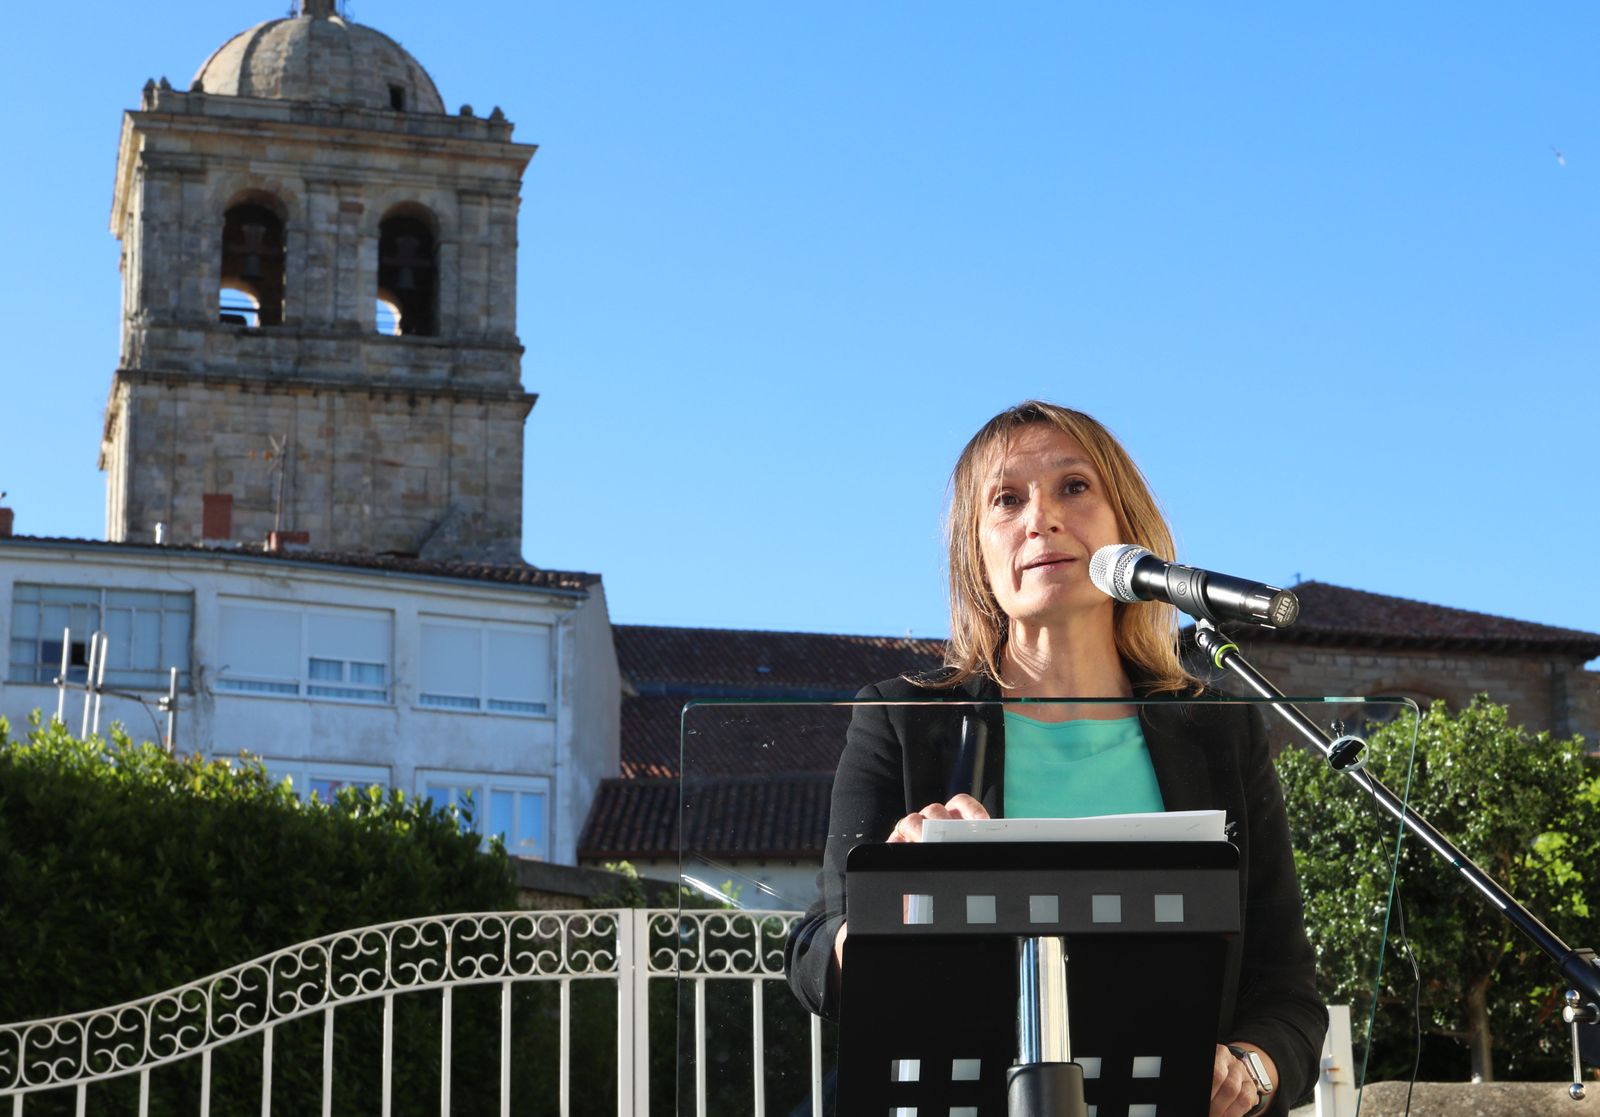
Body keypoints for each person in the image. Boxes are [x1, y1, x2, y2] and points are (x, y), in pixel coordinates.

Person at [783, 401, 1326, 1117]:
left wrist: (1250, 1071)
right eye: (1007, 499)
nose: (1040, 518)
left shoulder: (1218, 729)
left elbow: (1284, 987)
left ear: (1127, 528)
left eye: (1074, 486)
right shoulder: (903, 719)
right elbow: (816, 957)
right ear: (975, 553)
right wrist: (891, 892)